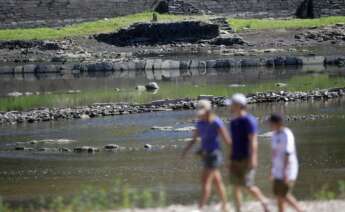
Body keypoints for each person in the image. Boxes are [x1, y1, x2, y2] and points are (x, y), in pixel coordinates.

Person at [181, 100, 231, 211]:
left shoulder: (216, 122)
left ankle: (201, 207)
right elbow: (193, 140)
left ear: (208, 110)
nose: (200, 114)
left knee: (205, 181)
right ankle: (225, 205)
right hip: (205, 155)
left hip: (214, 154)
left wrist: (231, 156)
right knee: (217, 181)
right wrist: (185, 151)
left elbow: (227, 140)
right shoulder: (199, 123)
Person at [226, 93, 270, 212]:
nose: (230, 107)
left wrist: (253, 158)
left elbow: (253, 141)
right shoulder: (233, 122)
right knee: (235, 186)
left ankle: (264, 202)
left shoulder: (249, 121)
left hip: (246, 158)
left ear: (239, 105)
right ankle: (238, 209)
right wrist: (230, 159)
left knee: (248, 185)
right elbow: (233, 142)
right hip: (235, 158)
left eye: (232, 105)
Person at [268, 114, 304, 212]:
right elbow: (274, 153)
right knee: (279, 195)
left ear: (278, 123)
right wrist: (271, 169)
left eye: (271, 123)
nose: (270, 125)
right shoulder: (274, 135)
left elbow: (287, 153)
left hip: (288, 169)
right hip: (277, 170)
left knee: (283, 195)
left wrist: (285, 173)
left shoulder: (287, 134)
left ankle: (300, 210)